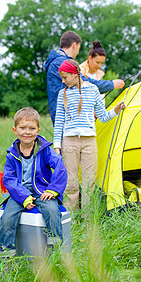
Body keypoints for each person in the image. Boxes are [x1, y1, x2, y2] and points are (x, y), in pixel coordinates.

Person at [53, 59, 126, 211]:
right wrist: (57, 146)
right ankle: (71, 217)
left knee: (89, 182)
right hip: (69, 142)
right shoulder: (62, 94)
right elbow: (59, 121)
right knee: (71, 182)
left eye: (65, 77)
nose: (63, 80)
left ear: (75, 74)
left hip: (89, 142)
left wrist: (115, 110)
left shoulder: (93, 90)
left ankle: (88, 218)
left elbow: (103, 116)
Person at [0, 107, 67, 256]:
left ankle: (56, 250)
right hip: (20, 193)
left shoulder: (45, 149)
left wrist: (52, 190)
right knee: (7, 218)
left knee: (51, 210)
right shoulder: (12, 154)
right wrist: (23, 197)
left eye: (32, 128)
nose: (27, 132)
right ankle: (7, 256)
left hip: (42, 191)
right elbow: (9, 179)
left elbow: (60, 167)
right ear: (15, 130)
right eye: (22, 128)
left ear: (38, 130)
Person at [45, 31, 125, 125]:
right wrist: (111, 84)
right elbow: (84, 82)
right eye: (79, 47)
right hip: (67, 120)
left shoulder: (59, 61)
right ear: (74, 45)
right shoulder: (60, 63)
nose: (78, 52)